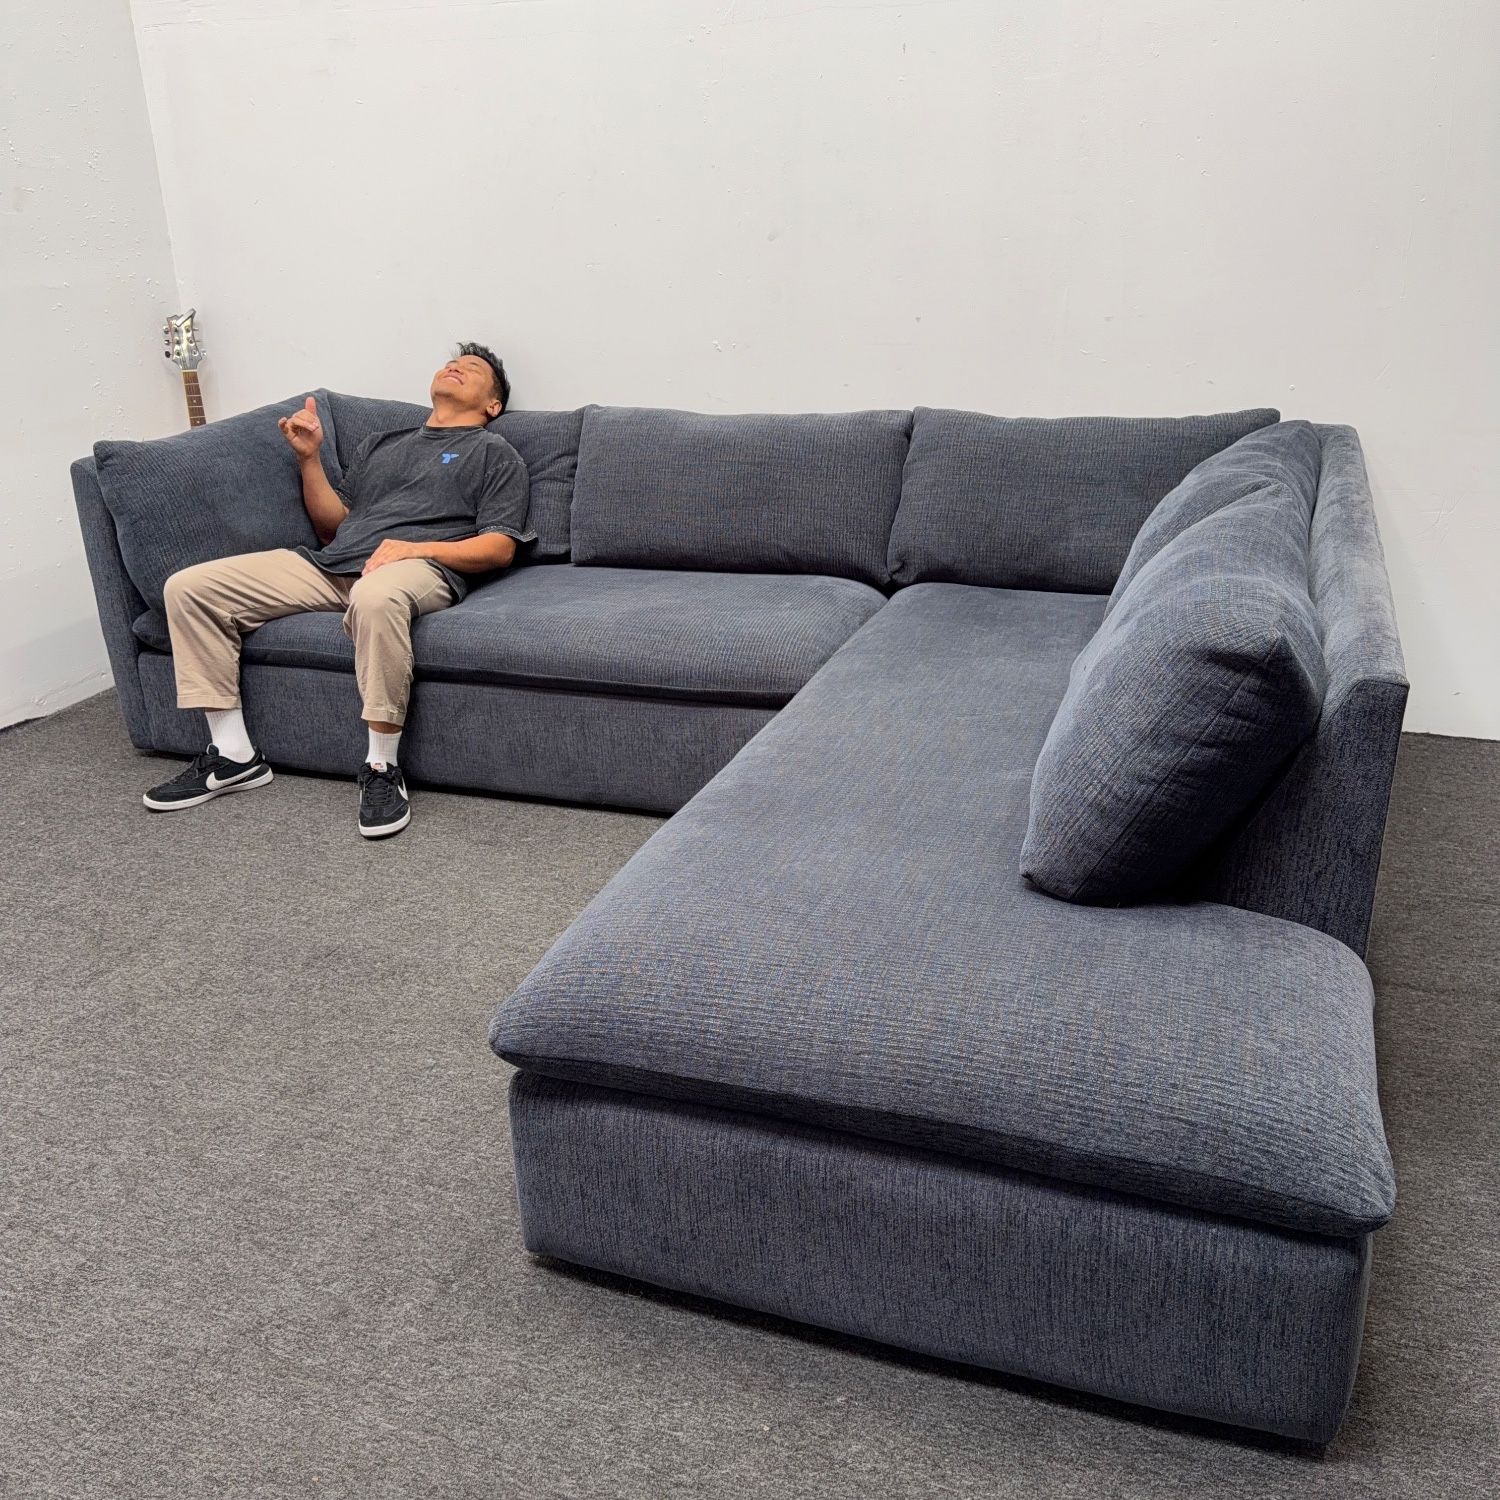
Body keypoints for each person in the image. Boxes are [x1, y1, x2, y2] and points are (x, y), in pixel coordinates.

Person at [141, 342, 533, 839]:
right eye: (452, 362)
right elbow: (334, 526)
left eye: (472, 369)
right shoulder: (381, 443)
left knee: (375, 596)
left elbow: (499, 547)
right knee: (191, 587)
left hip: (419, 569)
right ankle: (233, 755)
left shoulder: (494, 453)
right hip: (333, 565)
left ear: (492, 405)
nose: (456, 366)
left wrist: (413, 549)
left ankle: (381, 766)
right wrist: (309, 459)